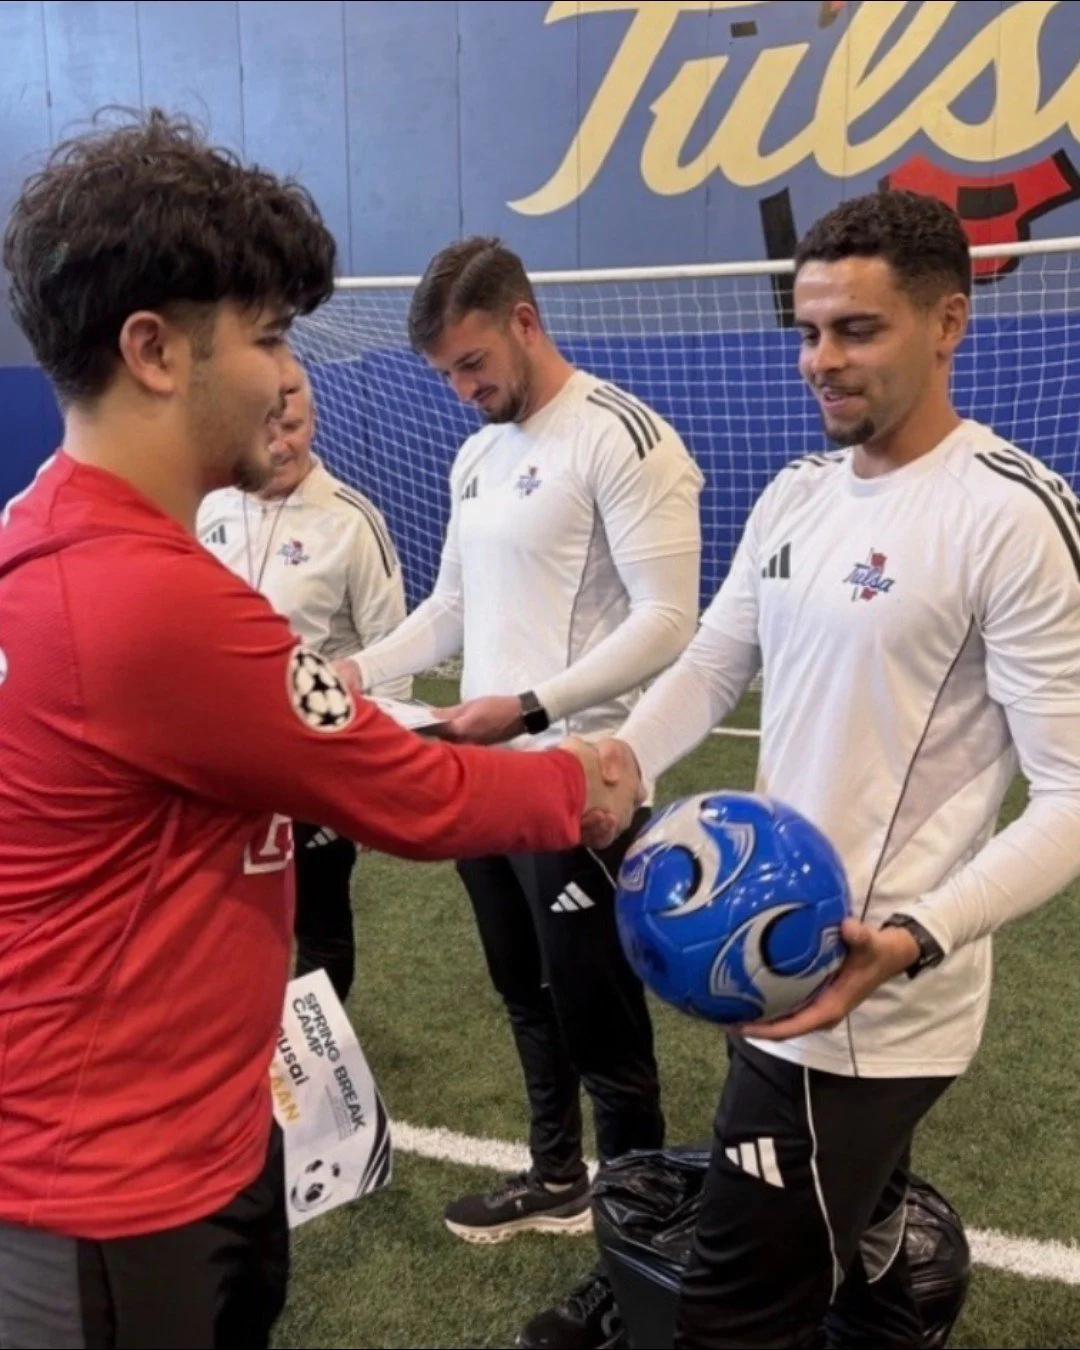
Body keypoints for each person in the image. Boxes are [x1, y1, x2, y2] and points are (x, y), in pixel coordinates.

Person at [0, 110, 638, 1350]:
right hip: (112, 1191)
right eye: (270, 335)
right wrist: (584, 782)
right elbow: (407, 793)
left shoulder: (50, 533)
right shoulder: (144, 597)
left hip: (173, 1135)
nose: (289, 376)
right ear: (154, 351)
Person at [597, 189, 1080, 1348]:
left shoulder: (1008, 515)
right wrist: (610, 758)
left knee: (730, 1314)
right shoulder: (798, 491)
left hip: (868, 1005)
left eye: (857, 330)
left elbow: (1072, 795)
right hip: (770, 966)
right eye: (809, 330)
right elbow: (713, 666)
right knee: (845, 1256)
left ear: (948, 322)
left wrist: (914, 935)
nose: (822, 360)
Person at [337, 236, 705, 1349]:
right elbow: (448, 609)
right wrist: (362, 671)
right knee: (521, 990)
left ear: (525, 318)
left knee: (603, 1025)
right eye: (447, 372)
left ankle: (632, 1253)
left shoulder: (622, 436)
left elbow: (669, 623)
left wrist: (534, 709)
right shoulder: (480, 452)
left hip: (573, 783)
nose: (463, 388)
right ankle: (555, 1179)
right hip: (478, 776)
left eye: (472, 361)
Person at [199, 351, 411, 1002]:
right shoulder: (208, 508)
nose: (278, 443)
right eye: (264, 426)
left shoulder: (352, 521)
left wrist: (380, 780)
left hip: (315, 769)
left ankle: (314, 1076)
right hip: (216, 773)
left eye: (290, 426)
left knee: (318, 926)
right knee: (218, 920)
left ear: (312, 424)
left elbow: (391, 650)